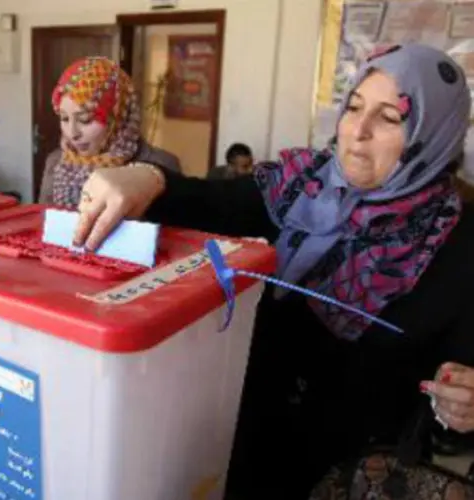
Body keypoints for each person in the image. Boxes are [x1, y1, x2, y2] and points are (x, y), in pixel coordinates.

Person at [71, 43, 474, 498]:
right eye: (354, 107)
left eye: (389, 117)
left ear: (433, 132)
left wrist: (460, 408)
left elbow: (457, 390)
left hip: (343, 472)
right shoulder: (298, 185)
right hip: (239, 433)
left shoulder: (459, 247)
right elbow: (211, 203)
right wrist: (148, 177)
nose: (357, 131)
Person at [38, 56, 180, 207]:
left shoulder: (160, 166)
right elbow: (43, 220)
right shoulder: (56, 162)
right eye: (64, 119)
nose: (72, 133)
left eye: (85, 120)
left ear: (117, 117)